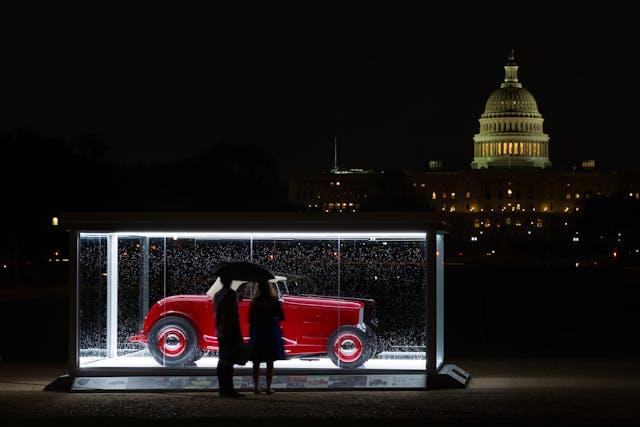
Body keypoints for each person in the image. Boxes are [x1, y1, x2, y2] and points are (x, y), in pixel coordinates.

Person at [248, 280, 286, 395]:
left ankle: (256, 387)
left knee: (256, 361)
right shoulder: (274, 301)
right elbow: (282, 317)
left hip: (258, 332)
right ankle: (268, 387)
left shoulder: (254, 302)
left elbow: (250, 319)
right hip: (270, 332)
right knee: (270, 361)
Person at [213, 274, 244, 397]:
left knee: (222, 359)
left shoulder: (217, 295)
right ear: (231, 281)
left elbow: (219, 312)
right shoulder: (231, 294)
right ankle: (229, 389)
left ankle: (222, 388)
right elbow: (232, 315)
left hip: (220, 330)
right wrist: (238, 334)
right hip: (230, 330)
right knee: (229, 361)